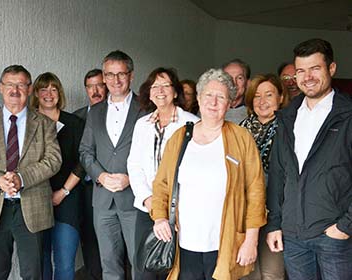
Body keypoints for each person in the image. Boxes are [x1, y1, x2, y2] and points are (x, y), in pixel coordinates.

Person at [151, 68, 266, 280]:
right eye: (208, 95)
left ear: (230, 102)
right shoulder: (179, 138)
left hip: (225, 242)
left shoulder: (241, 138)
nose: (213, 102)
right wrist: (159, 218)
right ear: (198, 98)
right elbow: (161, 185)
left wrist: (251, 240)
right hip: (185, 242)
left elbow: (255, 192)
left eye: (221, 97)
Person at [0, 65, 61, 280]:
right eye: (9, 84)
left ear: (29, 88)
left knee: (33, 274)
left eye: (20, 85)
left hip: (32, 209)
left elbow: (54, 160)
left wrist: (22, 178)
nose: (14, 90)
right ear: (1, 87)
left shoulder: (45, 124)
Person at [266, 38, 352, 280]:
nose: (307, 77)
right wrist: (274, 224)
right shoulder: (287, 117)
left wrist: (346, 226)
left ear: (331, 69)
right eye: (301, 71)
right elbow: (278, 173)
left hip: (335, 236)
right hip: (293, 237)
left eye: (315, 68)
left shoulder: (347, 115)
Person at [79, 50, 145, 280]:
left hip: (135, 199)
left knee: (140, 263)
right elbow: (85, 152)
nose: (115, 80)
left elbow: (153, 154)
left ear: (131, 75)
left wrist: (130, 177)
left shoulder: (145, 109)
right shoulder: (95, 112)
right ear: (104, 77)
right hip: (103, 200)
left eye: (121, 74)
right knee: (109, 263)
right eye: (110, 74)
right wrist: (101, 176)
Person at [128, 67, 199, 279]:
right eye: (154, 86)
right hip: (146, 207)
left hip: (179, 210)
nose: (160, 90)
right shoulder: (142, 124)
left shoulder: (192, 124)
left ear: (175, 91)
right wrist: (148, 199)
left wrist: (170, 207)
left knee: (175, 268)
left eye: (165, 85)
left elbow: (193, 170)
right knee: (144, 269)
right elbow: (134, 164)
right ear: (149, 93)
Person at [30, 72, 85, 280]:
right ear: (36, 93)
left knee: (64, 263)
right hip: (35, 200)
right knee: (40, 261)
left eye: (53, 89)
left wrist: (63, 191)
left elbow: (83, 161)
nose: (49, 94)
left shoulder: (74, 123)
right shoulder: (28, 122)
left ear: (59, 93)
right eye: (44, 89)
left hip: (67, 199)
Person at [239, 73, 290, 280]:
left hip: (277, 212)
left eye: (269, 95)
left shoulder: (290, 128)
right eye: (257, 96)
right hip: (244, 212)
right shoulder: (240, 129)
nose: (262, 101)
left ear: (280, 97)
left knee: (272, 273)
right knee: (247, 271)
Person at [72, 69, 106, 280]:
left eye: (99, 85)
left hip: (109, 187)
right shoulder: (77, 117)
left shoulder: (117, 114)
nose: (95, 91)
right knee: (89, 237)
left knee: (112, 238)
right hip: (83, 188)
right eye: (90, 86)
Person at [222, 58, 250, 124]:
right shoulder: (210, 109)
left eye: (239, 78)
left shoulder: (256, 111)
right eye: (228, 78)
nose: (234, 83)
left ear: (247, 83)